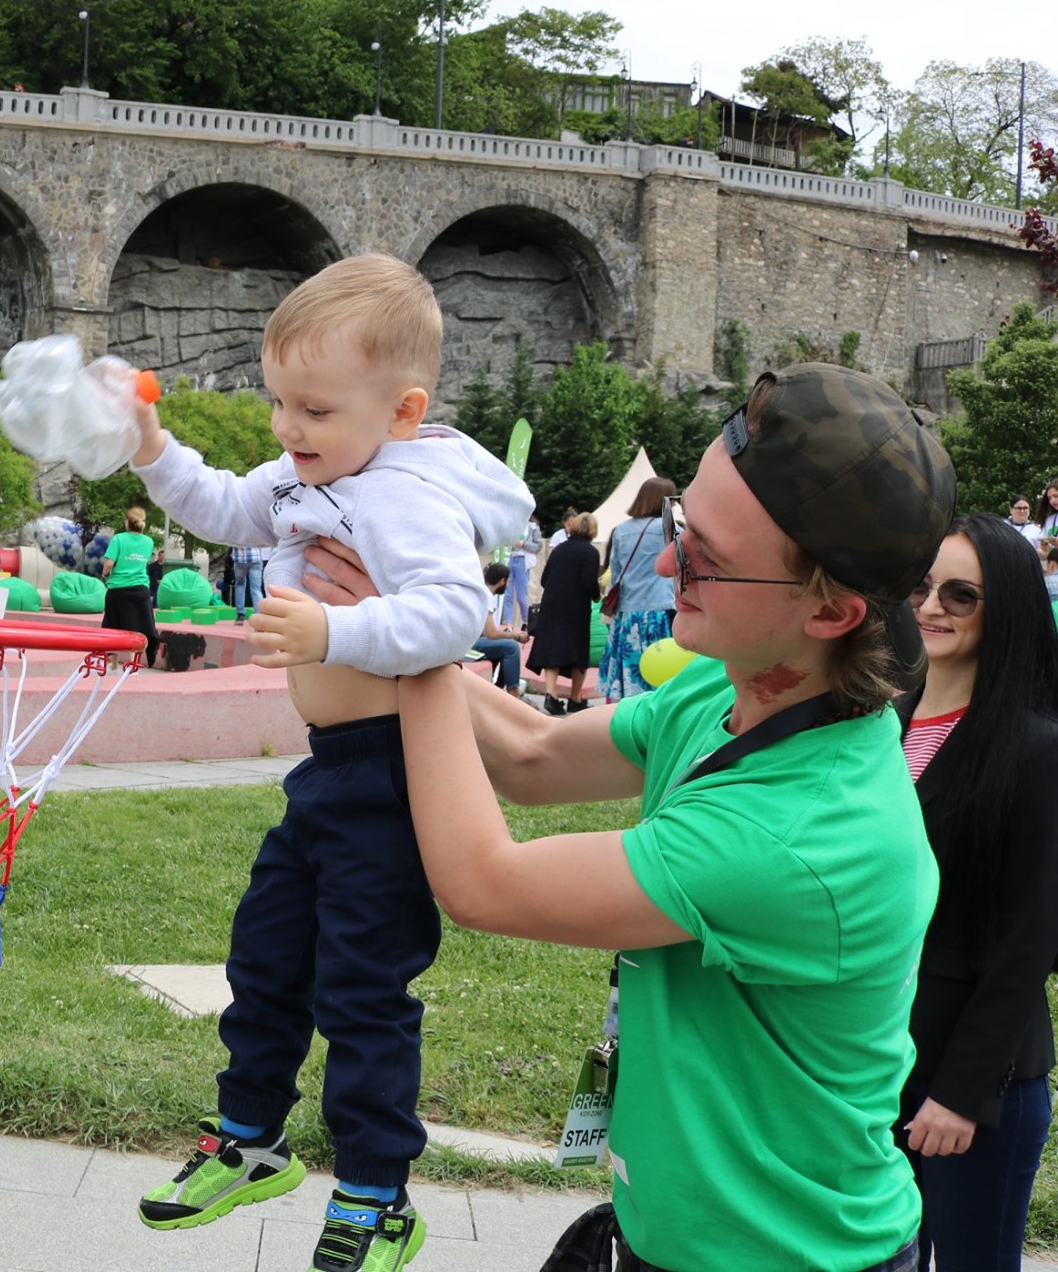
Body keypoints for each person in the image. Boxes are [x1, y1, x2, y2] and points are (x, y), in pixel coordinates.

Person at [338, 363, 953, 1272]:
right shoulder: (737, 685)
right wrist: (378, 609)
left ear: (831, 611)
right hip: (681, 1239)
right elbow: (535, 755)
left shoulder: (799, 830)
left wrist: (412, 633)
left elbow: (482, 881)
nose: (667, 566)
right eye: (680, 527)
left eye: (708, 559)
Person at [126, 252, 531, 1271]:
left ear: (402, 411)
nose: (285, 428)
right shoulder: (316, 466)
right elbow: (224, 504)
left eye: (311, 408)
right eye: (277, 402)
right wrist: (152, 448)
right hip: (326, 772)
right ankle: (248, 1138)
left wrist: (332, 633)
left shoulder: (404, 491)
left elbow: (455, 612)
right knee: (264, 958)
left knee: (362, 989)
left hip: (392, 777)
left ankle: (375, 1194)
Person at [896, 514, 1058, 1270]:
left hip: (971, 1084)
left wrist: (962, 1092)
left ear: (1007, 609)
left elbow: (1030, 940)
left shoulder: (1037, 748)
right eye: (921, 586)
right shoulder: (878, 723)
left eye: (960, 594)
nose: (931, 606)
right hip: (870, 1064)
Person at [597, 478, 679, 703]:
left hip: (627, 613)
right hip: (660, 609)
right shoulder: (671, 530)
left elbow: (615, 572)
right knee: (662, 677)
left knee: (627, 676)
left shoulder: (620, 531)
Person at [526, 510, 601, 715]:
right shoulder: (590, 553)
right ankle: (575, 698)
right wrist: (597, 595)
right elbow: (588, 583)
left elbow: (544, 579)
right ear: (593, 530)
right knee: (578, 650)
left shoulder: (559, 550)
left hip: (552, 605)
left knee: (552, 647)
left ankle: (551, 694)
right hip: (576, 608)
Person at [101, 507, 160, 668]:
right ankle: (134, 665)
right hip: (140, 590)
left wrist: (105, 574)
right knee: (137, 626)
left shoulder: (119, 539)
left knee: (113, 625)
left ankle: (113, 664)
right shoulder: (149, 542)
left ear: (127, 522)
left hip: (118, 589)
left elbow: (109, 563)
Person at [472, 563, 529, 696]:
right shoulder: (486, 595)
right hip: (470, 644)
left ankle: (498, 689)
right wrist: (516, 636)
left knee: (503, 645)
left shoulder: (482, 592)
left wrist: (506, 634)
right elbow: (491, 633)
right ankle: (513, 692)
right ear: (503, 581)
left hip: (472, 640)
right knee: (511, 647)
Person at [506, 512, 543, 628]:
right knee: (507, 594)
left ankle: (527, 622)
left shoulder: (533, 527)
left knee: (522, 596)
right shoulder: (511, 525)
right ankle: (508, 624)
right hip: (509, 558)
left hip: (523, 560)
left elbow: (538, 547)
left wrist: (524, 544)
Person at [230, 543, 268, 621]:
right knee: (256, 589)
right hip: (256, 557)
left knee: (240, 584)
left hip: (239, 558)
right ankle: (259, 615)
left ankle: (240, 615)